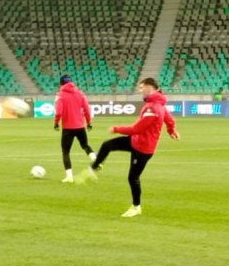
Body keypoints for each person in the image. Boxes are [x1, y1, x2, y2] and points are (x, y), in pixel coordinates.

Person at [77, 77, 180, 218]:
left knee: (133, 178)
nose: (140, 90)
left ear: (149, 88)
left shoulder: (154, 108)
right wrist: (171, 130)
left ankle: (136, 207)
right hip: (136, 142)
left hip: (143, 149)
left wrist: (117, 128)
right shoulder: (157, 104)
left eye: (141, 87)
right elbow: (169, 120)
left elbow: (136, 128)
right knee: (107, 145)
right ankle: (93, 168)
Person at [54, 74, 96, 183]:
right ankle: (96, 161)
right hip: (80, 126)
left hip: (68, 128)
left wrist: (56, 123)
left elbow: (58, 112)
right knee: (85, 145)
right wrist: (89, 122)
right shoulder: (80, 93)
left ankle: (69, 177)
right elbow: (87, 109)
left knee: (66, 152)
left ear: (61, 83)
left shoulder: (60, 95)